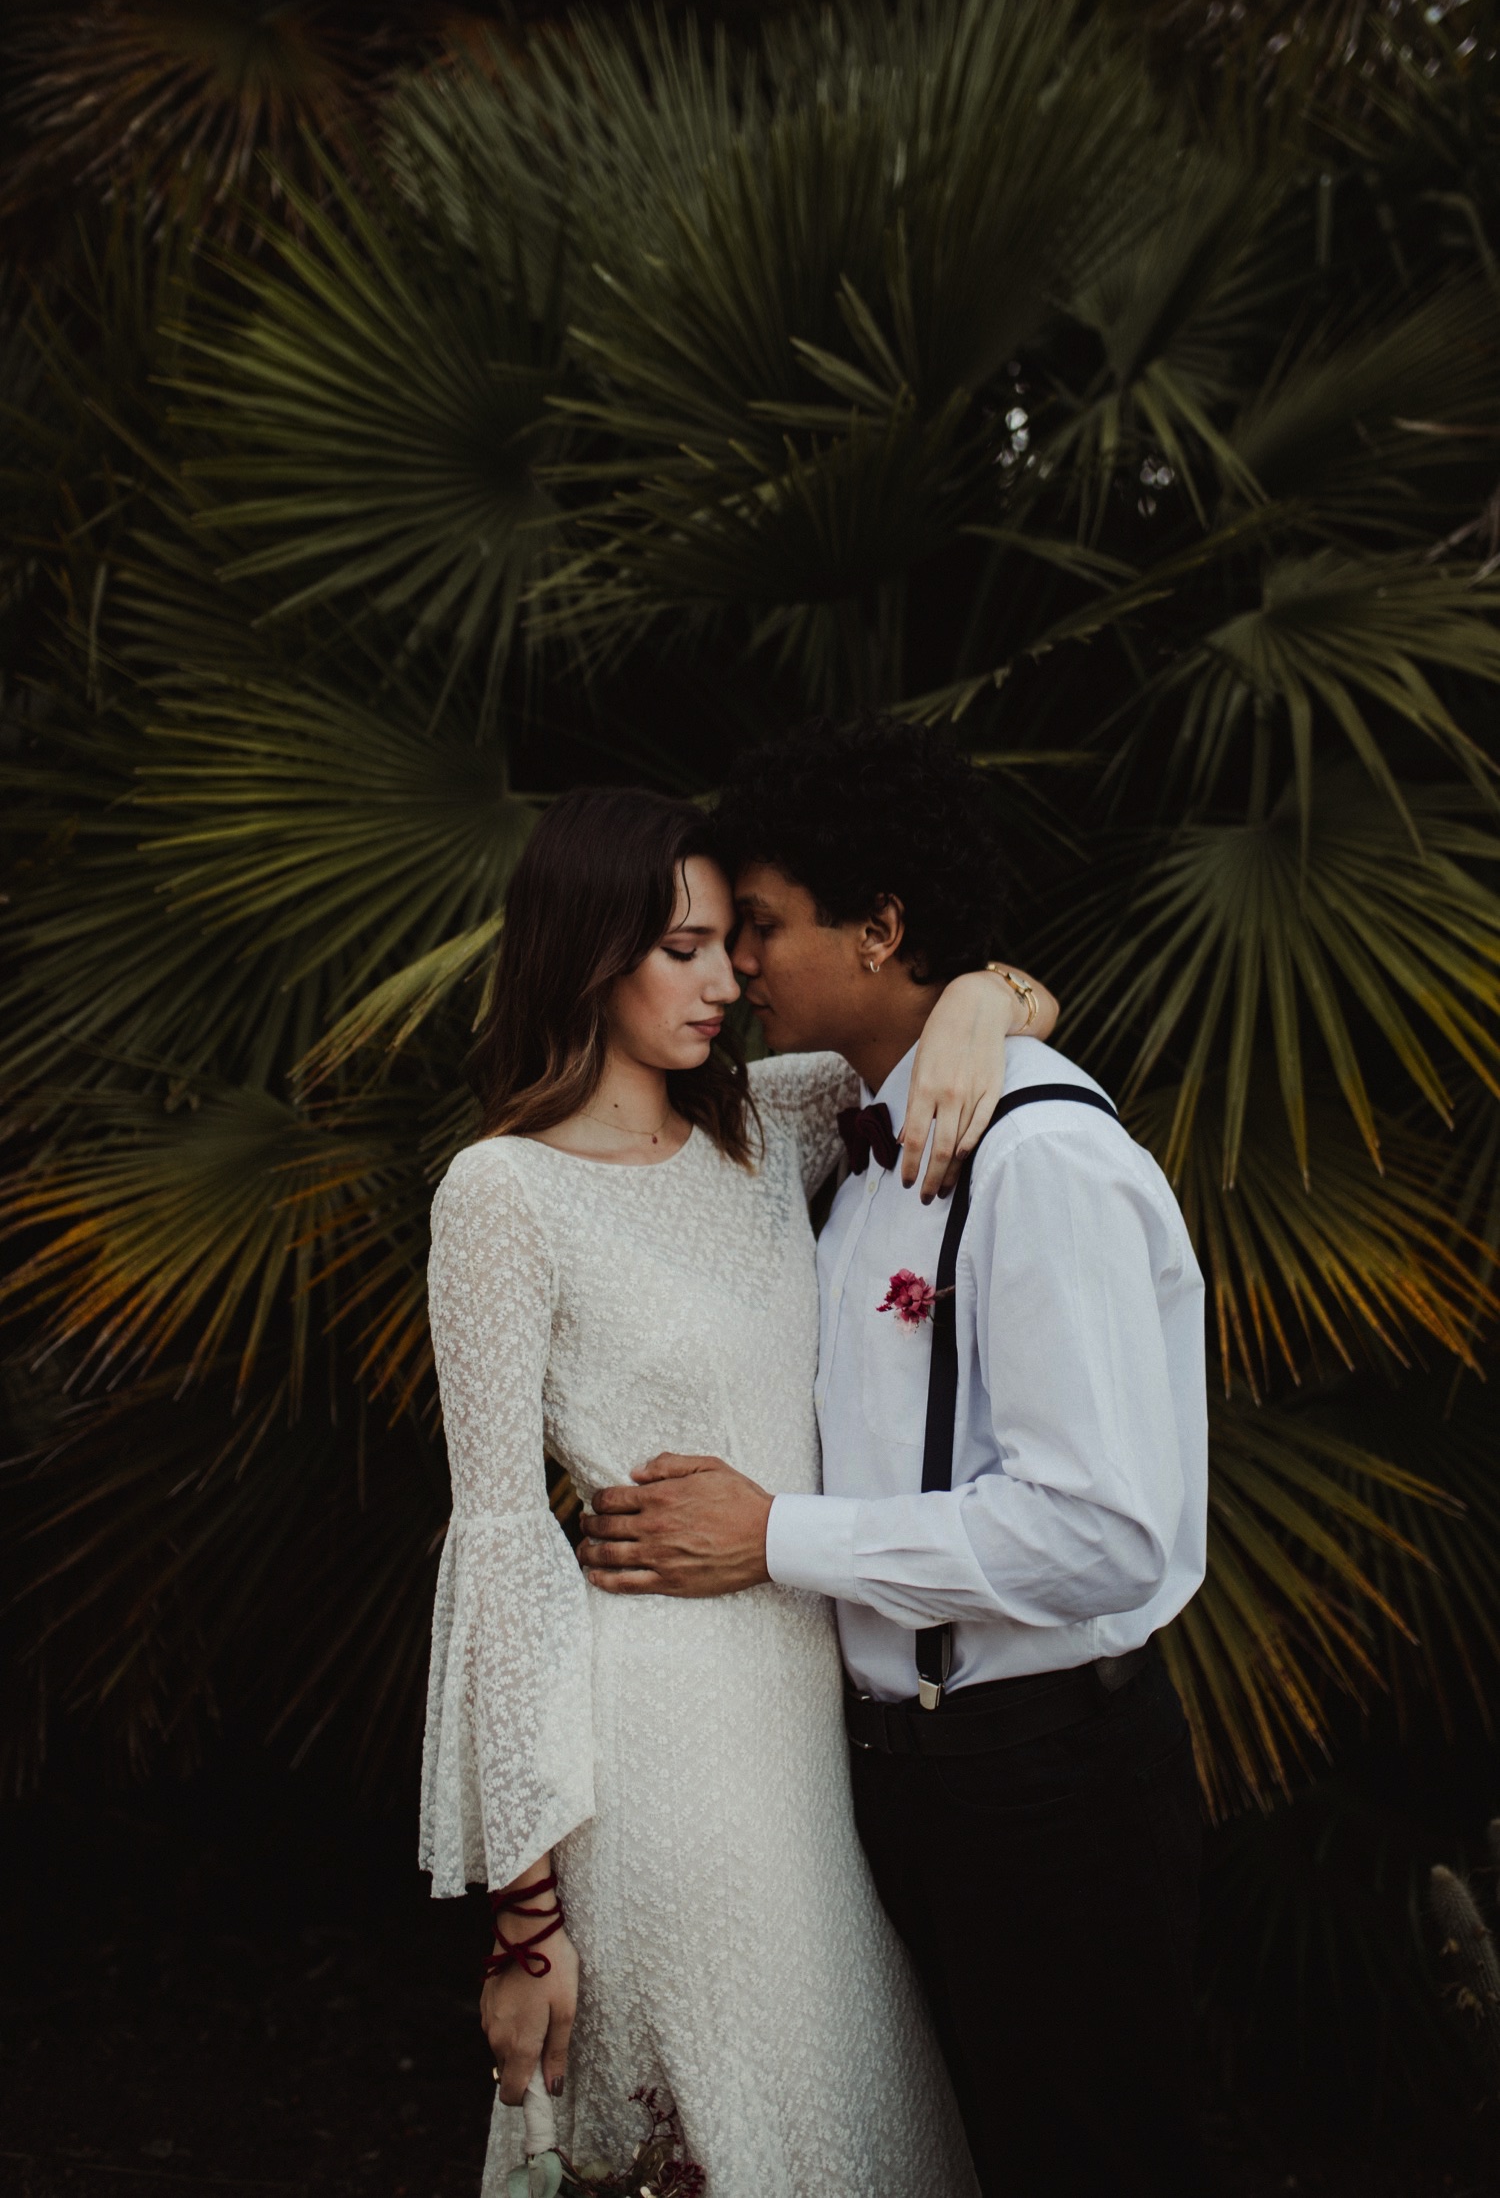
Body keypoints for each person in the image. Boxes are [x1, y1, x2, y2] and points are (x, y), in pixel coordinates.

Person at [580, 720, 1212, 2198]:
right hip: (888, 1783)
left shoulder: (1041, 1163)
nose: (738, 972)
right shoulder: (840, 1144)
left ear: (882, 929)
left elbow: (1104, 1530)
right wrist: (992, 997)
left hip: (1047, 1781)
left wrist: (775, 1537)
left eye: (763, 929)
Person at [418, 782, 1058, 2197]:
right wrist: (526, 1923)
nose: (730, 979)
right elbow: (506, 1548)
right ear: (587, 950)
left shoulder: (771, 1122)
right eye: (685, 947)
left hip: (805, 1730)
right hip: (652, 1741)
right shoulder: (498, 1194)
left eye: (731, 941)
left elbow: (1020, 1005)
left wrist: (965, 1005)